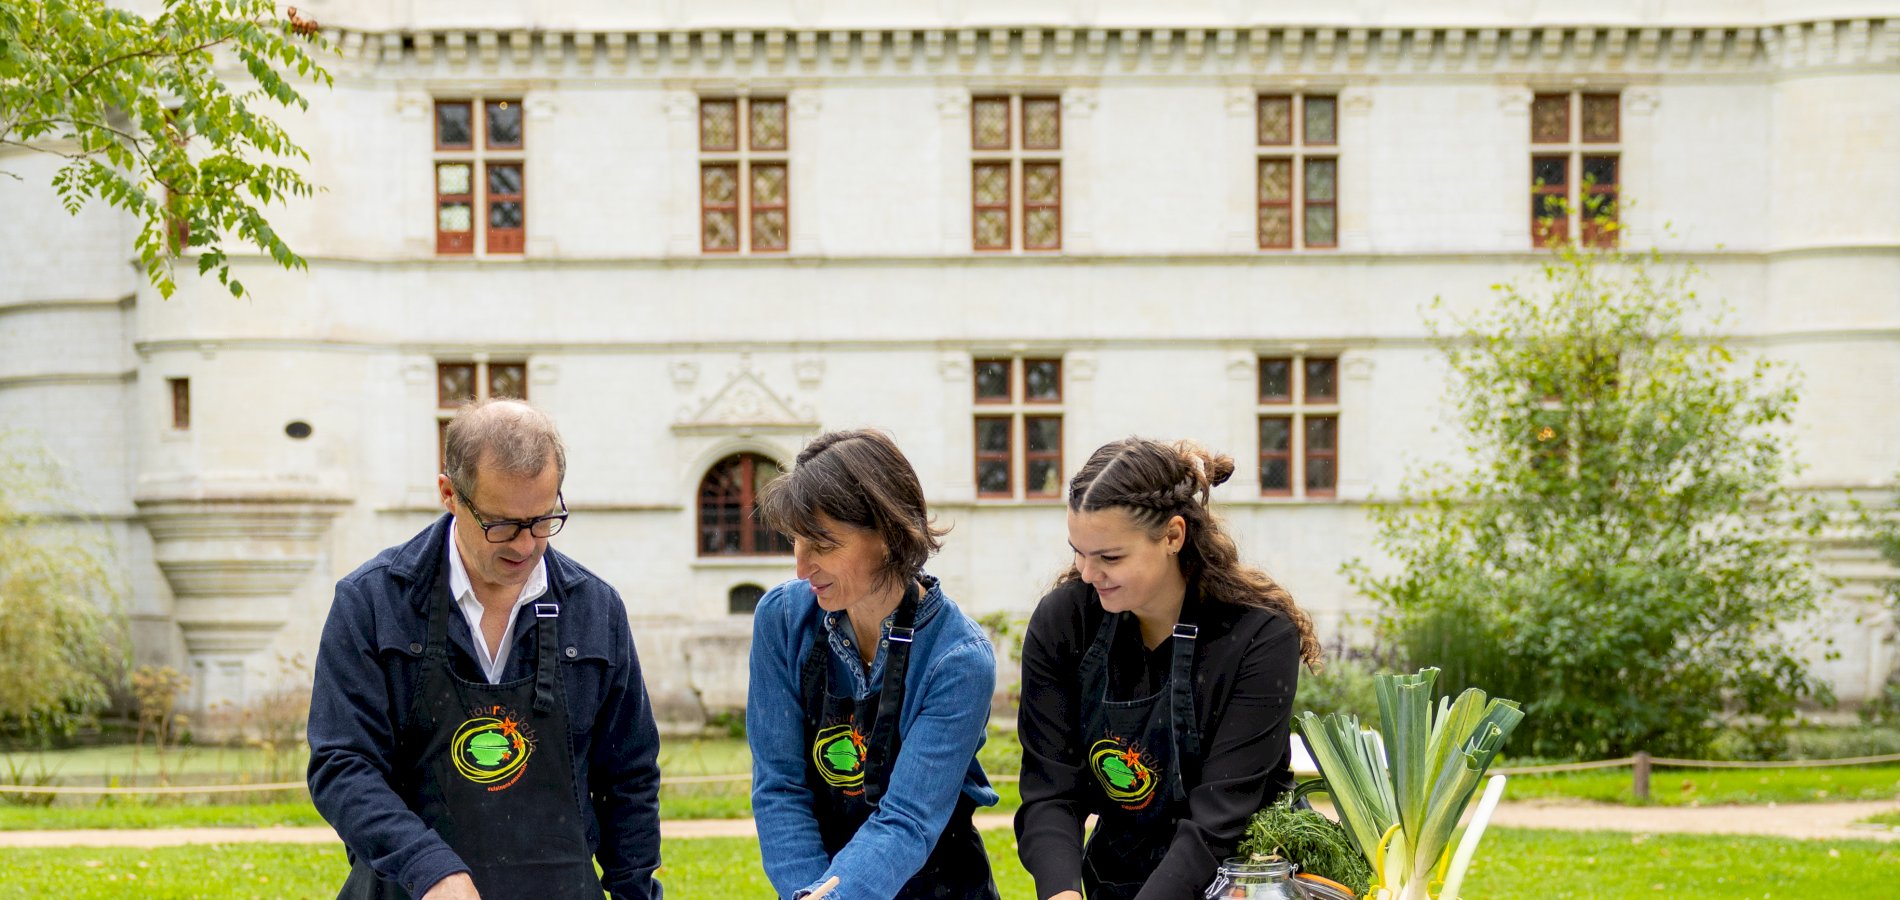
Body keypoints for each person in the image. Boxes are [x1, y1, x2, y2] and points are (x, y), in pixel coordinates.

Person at [307, 399, 663, 900]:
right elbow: (342, 765)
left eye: (542, 520)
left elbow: (629, 777)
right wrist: (428, 867)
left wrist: (634, 893)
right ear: (449, 494)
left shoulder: (595, 609)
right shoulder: (372, 603)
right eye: (501, 524)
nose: (525, 546)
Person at [1015, 438, 1323, 900]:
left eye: (1110, 557)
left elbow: (1218, 820)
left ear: (1173, 537)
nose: (1087, 573)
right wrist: (1062, 893)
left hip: (1244, 879)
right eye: (1079, 551)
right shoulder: (1065, 622)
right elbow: (1051, 791)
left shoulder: (1258, 637)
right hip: (1118, 878)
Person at [747, 429, 1002, 900]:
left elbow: (907, 819)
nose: (801, 568)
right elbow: (779, 788)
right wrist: (808, 892)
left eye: (823, 544)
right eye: (797, 541)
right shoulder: (781, 620)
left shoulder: (958, 660)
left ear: (887, 535)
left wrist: (832, 897)